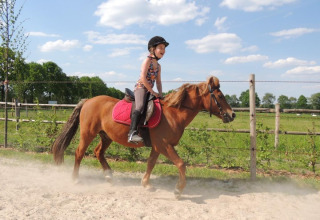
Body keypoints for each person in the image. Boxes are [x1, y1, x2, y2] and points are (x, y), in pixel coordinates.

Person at [128, 36, 169, 143]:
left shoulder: (159, 66)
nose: (163, 50)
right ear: (152, 49)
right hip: (141, 87)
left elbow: (159, 82)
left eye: (164, 48)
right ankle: (132, 133)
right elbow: (143, 78)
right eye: (160, 47)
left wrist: (160, 93)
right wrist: (152, 91)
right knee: (140, 106)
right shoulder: (147, 60)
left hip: (149, 89)